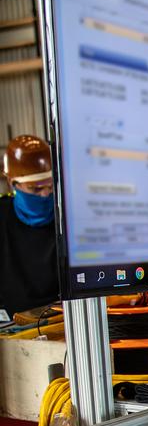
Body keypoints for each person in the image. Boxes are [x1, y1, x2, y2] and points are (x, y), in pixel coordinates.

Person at [0, 135, 59, 320]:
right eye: (36, 188)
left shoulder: (66, 217)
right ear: (12, 183)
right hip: (15, 323)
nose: (45, 194)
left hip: (63, 318)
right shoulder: (3, 218)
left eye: (50, 187)